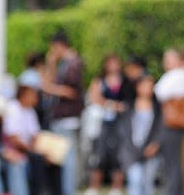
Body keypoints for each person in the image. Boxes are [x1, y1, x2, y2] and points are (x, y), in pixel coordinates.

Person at [41, 30, 84, 195]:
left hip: (67, 117)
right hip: (61, 117)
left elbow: (72, 91)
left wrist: (50, 89)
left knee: (67, 158)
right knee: (60, 157)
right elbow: (49, 80)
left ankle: (68, 190)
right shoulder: (64, 64)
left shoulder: (73, 64)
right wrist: (51, 64)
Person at [84, 54, 127, 195]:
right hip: (102, 123)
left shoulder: (124, 81)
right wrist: (112, 105)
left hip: (119, 123)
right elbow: (94, 98)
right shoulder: (99, 80)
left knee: (118, 156)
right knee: (99, 154)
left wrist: (112, 105)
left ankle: (116, 187)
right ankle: (94, 187)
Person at [154, 48, 184, 195]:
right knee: (173, 163)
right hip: (173, 125)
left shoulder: (179, 74)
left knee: (173, 163)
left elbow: (159, 92)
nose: (166, 62)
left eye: (169, 59)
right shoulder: (179, 75)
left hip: (173, 126)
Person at [117, 76, 163, 195]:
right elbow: (124, 130)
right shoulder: (129, 106)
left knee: (148, 183)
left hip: (150, 151)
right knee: (135, 180)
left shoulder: (158, 108)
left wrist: (155, 144)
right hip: (131, 150)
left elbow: (160, 129)